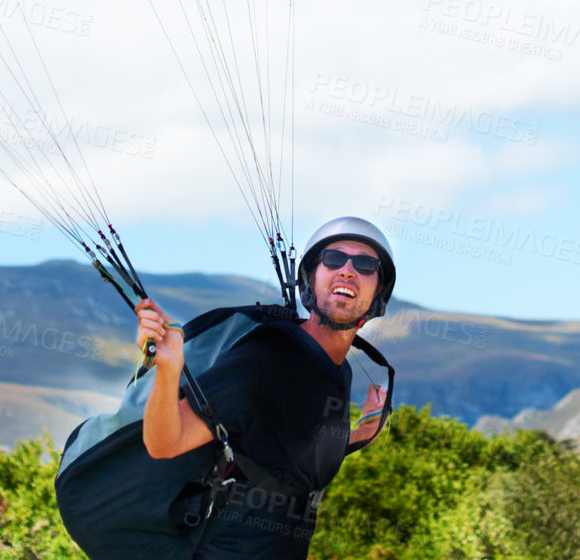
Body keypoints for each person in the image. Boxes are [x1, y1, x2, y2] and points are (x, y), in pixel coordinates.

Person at [133, 217, 395, 558]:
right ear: (311, 278)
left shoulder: (338, 371)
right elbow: (165, 444)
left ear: (378, 294)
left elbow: (290, 460)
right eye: (333, 259)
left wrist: (363, 433)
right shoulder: (267, 356)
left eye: (364, 265)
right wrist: (168, 371)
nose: (347, 270)